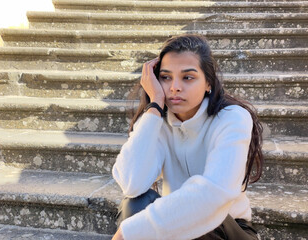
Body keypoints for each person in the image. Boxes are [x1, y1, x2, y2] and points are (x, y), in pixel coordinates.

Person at [111, 34, 263, 240]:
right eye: (165, 77)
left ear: (208, 82)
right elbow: (132, 183)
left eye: (187, 77)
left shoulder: (232, 118)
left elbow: (213, 196)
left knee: (198, 217)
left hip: (227, 231)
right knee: (135, 201)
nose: (174, 87)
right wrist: (155, 104)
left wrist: (130, 232)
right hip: (179, 230)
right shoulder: (157, 122)